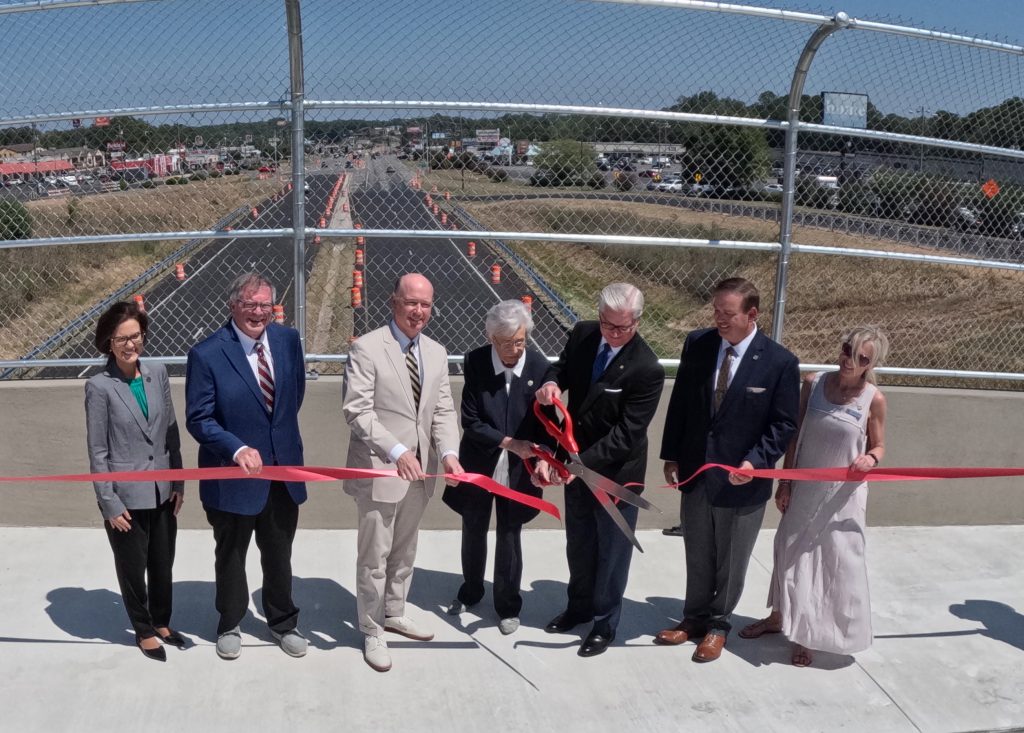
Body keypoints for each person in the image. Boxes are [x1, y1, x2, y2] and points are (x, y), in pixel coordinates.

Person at [656, 277, 799, 663]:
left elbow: (783, 425)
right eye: (716, 311)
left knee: (731, 558)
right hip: (697, 471)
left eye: (728, 313)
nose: (719, 319)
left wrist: (756, 461)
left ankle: (719, 626)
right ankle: (693, 619)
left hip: (743, 480)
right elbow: (683, 401)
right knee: (698, 551)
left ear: (752, 315)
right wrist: (672, 455)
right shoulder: (698, 344)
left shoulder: (779, 362)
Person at [739, 326, 889, 667]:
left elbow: (879, 444)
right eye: (847, 349)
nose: (850, 360)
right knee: (787, 550)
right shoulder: (814, 383)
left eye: (861, 357)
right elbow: (795, 437)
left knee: (827, 563)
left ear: (871, 363)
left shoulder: (873, 399)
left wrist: (871, 457)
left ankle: (805, 635)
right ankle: (779, 616)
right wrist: (786, 481)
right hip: (805, 487)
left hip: (843, 496)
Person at [342, 273, 463, 672]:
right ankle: (371, 627)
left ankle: (394, 610)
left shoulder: (436, 352)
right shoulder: (367, 348)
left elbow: (442, 410)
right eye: (411, 303)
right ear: (394, 301)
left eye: (426, 304)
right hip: (381, 468)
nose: (419, 312)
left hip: (421, 470)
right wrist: (396, 452)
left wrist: (447, 453)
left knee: (405, 549)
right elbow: (357, 411)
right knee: (374, 555)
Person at [536, 283, 664, 657]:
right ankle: (578, 607)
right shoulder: (583, 334)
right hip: (574, 464)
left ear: (637, 323)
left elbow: (626, 435)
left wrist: (578, 464)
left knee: (611, 553)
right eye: (607, 324)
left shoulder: (646, 369)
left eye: (621, 327)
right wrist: (550, 384)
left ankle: (604, 624)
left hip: (614, 473)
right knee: (579, 543)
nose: (612, 333)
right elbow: (562, 369)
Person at [185, 273, 308, 660]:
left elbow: (293, 399)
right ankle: (230, 622)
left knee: (279, 553)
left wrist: (276, 446)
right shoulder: (207, 354)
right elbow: (199, 418)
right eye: (250, 305)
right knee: (231, 554)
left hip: (281, 472)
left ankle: (283, 621)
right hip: (233, 477)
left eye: (265, 305)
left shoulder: (288, 341)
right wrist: (236, 448)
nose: (259, 312)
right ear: (233, 306)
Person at [442, 300, 552, 635]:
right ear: (491, 338)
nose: (514, 350)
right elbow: (471, 421)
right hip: (480, 459)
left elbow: (547, 423)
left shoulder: (537, 364)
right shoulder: (475, 362)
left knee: (510, 531)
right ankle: (471, 590)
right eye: (506, 343)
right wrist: (509, 443)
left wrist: (544, 459)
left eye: (520, 341)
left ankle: (507, 605)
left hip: (521, 468)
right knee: (474, 526)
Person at [85, 301, 185, 662]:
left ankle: (161, 621)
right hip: (125, 498)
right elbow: (98, 450)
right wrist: (109, 502)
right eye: (122, 339)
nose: (131, 345)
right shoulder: (99, 387)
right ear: (108, 343)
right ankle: (142, 630)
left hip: (162, 490)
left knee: (163, 561)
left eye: (136, 336)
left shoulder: (157, 373)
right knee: (132, 567)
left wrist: (178, 482)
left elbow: (170, 434)